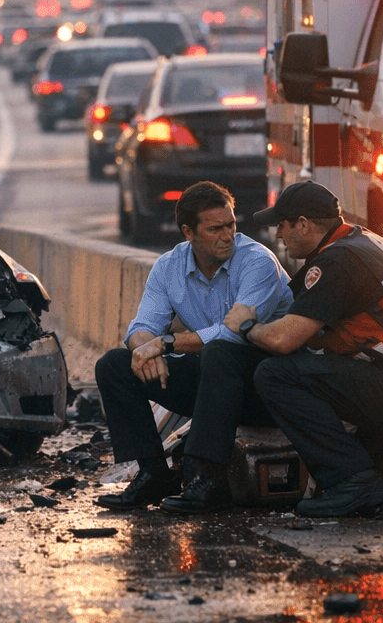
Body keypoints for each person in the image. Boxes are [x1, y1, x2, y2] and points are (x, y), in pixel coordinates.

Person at [226, 181, 383, 518]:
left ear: (304, 224)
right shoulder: (359, 242)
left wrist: (247, 327)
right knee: (367, 453)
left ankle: (353, 483)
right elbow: (297, 310)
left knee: (275, 374)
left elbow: (283, 339)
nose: (278, 234)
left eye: (282, 224)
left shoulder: (336, 261)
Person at [93, 181, 293, 511]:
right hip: (213, 386)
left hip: (266, 387)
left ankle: (209, 479)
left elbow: (233, 334)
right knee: (115, 364)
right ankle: (153, 473)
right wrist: (145, 350)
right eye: (215, 229)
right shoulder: (168, 267)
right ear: (189, 232)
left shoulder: (258, 262)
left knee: (219, 351)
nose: (227, 235)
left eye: (230, 225)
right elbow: (142, 327)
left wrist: (166, 342)